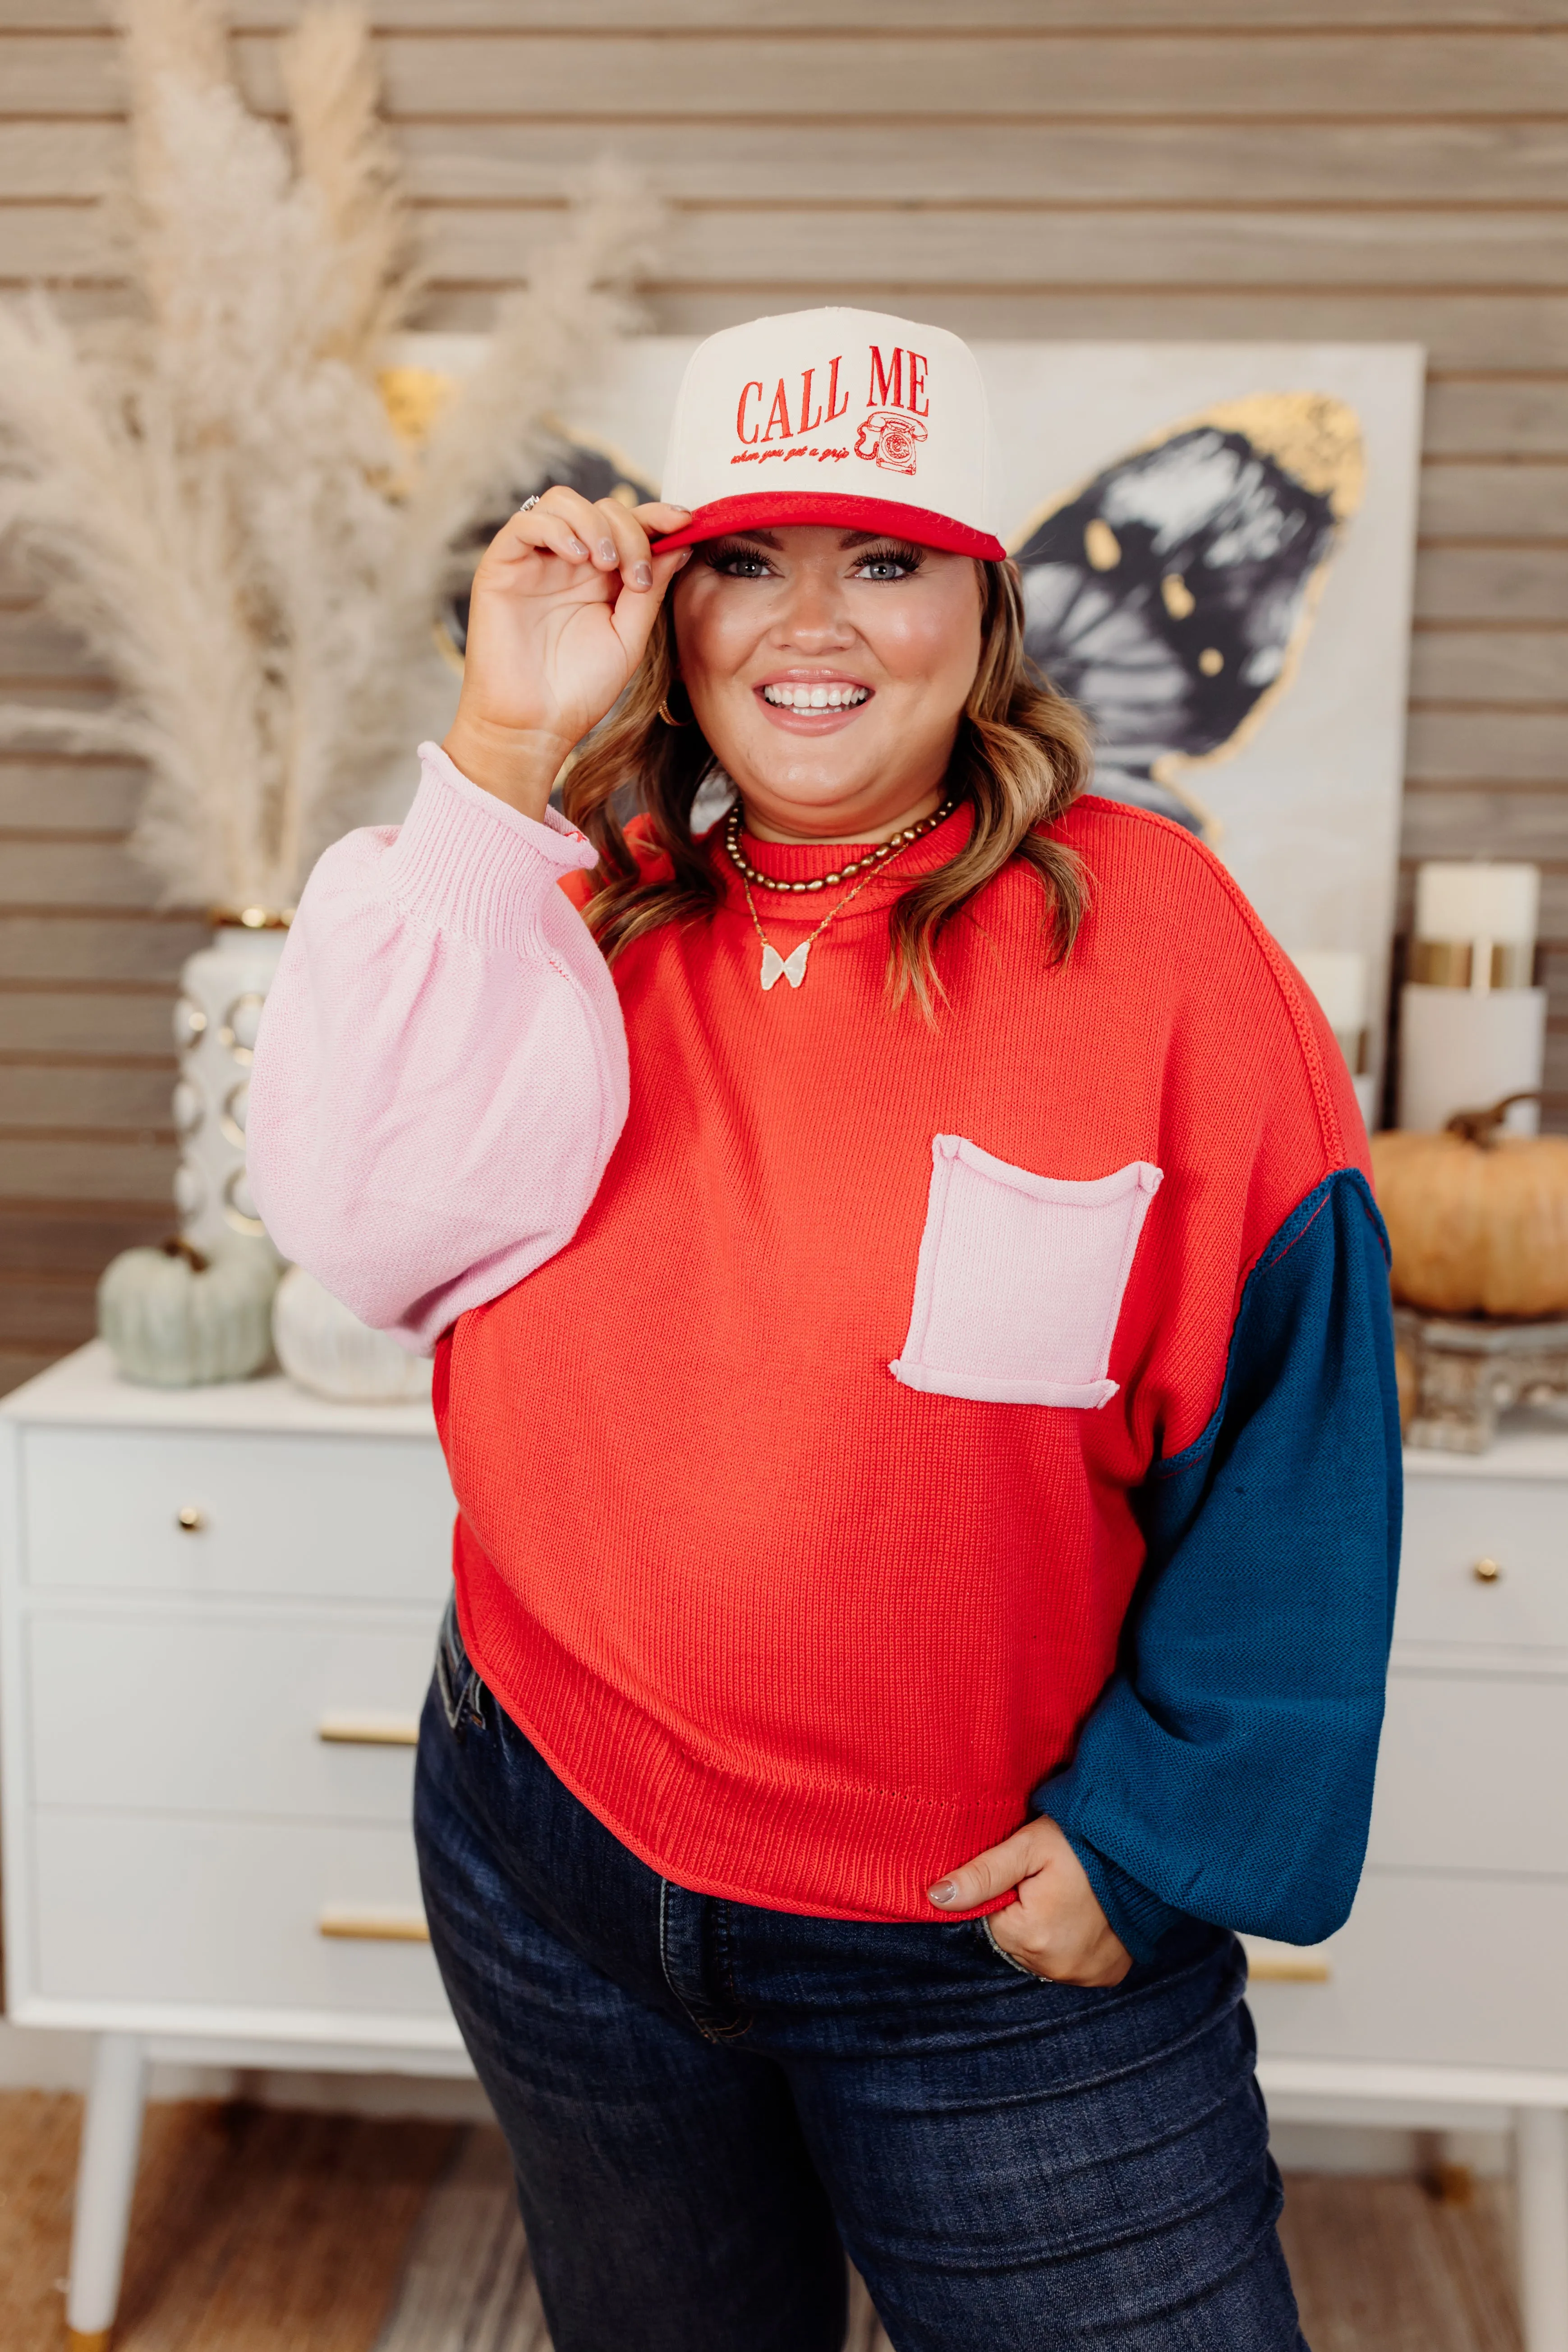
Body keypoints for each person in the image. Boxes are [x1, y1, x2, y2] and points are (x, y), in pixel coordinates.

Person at [248, 307, 1401, 2352]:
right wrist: (504, 748)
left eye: (882, 560)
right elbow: (361, 1226)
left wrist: (1153, 1838)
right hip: (557, 1857)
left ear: (982, 604)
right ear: (668, 611)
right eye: (746, 561)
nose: (818, 623)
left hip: (981, 1959)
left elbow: (1298, 1430)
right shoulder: (562, 896)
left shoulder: (1158, 941)